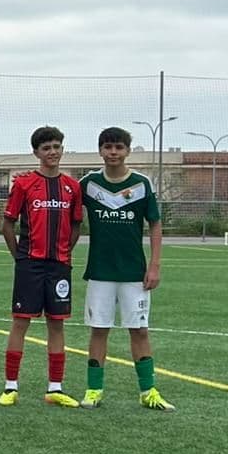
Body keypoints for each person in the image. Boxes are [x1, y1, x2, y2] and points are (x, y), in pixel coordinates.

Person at [79, 128, 174, 411]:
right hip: (100, 271)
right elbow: (68, 212)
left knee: (140, 330)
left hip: (134, 273)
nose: (113, 153)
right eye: (108, 147)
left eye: (119, 147)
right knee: (99, 329)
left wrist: (154, 265)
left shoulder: (142, 184)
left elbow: (155, 224)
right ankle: (94, 390)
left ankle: (148, 391)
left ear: (127, 151)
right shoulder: (89, 184)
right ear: (100, 151)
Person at [0, 126, 85, 407]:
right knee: (20, 322)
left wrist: (62, 253)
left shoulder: (72, 187)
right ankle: (11, 386)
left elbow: (75, 226)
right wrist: (19, 257)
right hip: (30, 265)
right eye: (46, 148)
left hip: (59, 266)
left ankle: (55, 388)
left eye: (57, 147)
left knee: (57, 324)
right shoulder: (24, 184)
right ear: (36, 152)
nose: (53, 152)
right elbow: (8, 223)